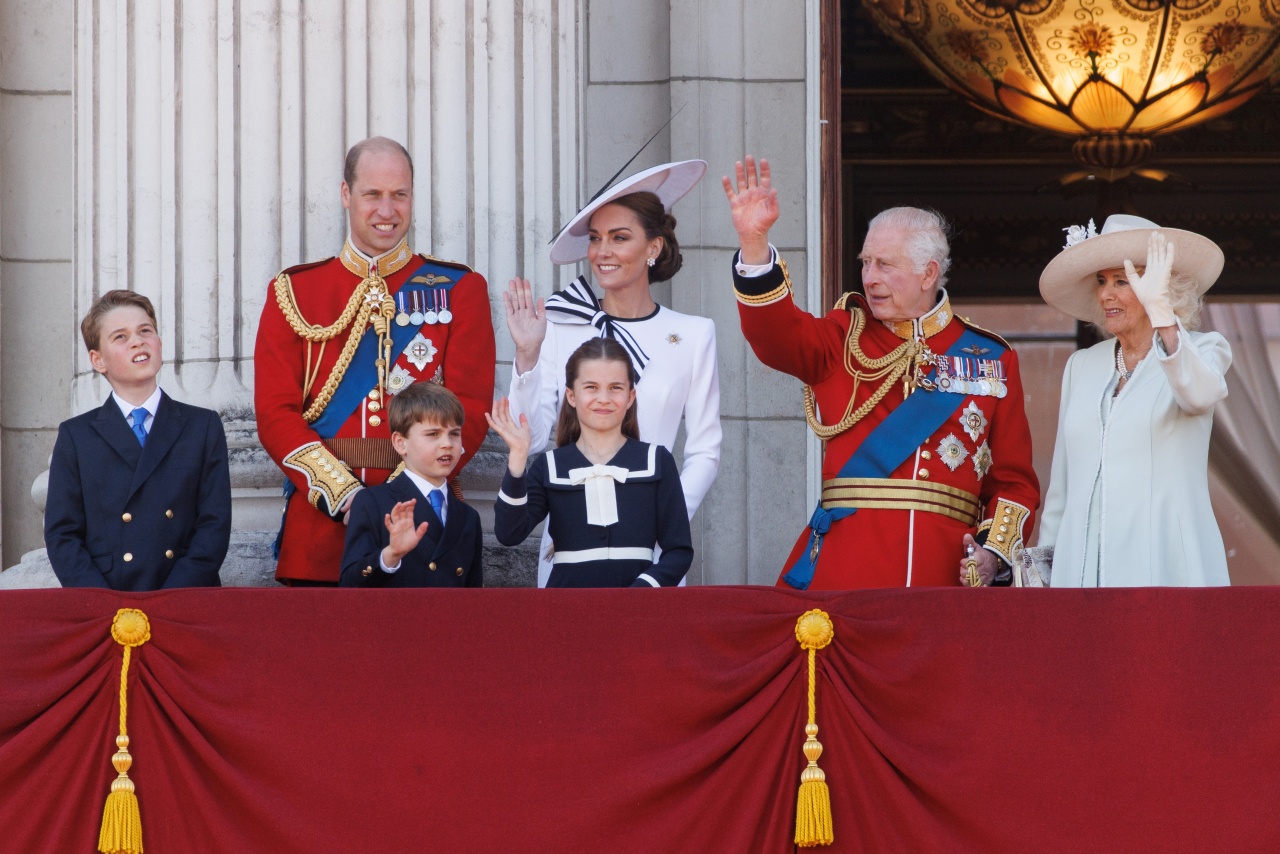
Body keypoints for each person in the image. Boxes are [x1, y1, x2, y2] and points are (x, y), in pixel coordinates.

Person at [722, 156, 1040, 589]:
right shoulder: (841, 337)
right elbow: (775, 335)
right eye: (866, 262)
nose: (869, 277)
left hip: (944, 573)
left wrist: (992, 555)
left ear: (928, 272)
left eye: (884, 265)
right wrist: (755, 244)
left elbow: (1013, 482)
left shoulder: (990, 357)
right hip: (847, 569)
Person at [255, 136, 495, 586]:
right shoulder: (294, 292)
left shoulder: (460, 289)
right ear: (346, 195)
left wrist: (398, 498)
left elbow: (471, 407)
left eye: (399, 195)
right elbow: (274, 413)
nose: (387, 210)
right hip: (321, 532)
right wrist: (346, 496)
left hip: (423, 531)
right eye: (373, 195)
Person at [503, 160, 719, 586]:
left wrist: (660, 517)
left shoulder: (693, 334)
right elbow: (531, 435)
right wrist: (527, 355)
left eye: (620, 238)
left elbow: (705, 452)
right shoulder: (561, 325)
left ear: (653, 248)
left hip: (653, 553)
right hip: (568, 549)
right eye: (596, 239)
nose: (603, 252)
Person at [1036, 215, 1232, 586]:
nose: (1106, 294)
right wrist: (1046, 576)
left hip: (1167, 568)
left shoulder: (1202, 350)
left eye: (1123, 281)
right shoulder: (1082, 365)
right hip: (1078, 575)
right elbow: (1061, 488)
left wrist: (1161, 312)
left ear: (1162, 288)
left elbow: (1200, 396)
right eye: (1102, 281)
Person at [45, 290, 232, 589]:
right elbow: (62, 534)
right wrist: (103, 604)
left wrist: (171, 600)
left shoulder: (202, 426)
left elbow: (214, 525)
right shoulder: (76, 435)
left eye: (145, 331)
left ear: (158, 341)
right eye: (120, 337)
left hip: (185, 598)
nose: (137, 341)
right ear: (98, 360)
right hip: (107, 604)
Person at [488, 337, 693, 587]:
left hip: (638, 613)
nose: (604, 398)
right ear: (571, 396)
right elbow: (509, 533)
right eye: (591, 387)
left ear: (630, 397)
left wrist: (644, 590)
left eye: (615, 388)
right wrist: (518, 458)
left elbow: (679, 551)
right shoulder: (549, 466)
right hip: (567, 613)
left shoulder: (656, 461)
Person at [340, 382, 482, 587]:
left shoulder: (468, 516)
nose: (447, 444)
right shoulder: (373, 502)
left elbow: (474, 597)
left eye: (454, 434)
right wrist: (390, 555)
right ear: (400, 442)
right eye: (433, 434)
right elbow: (349, 585)